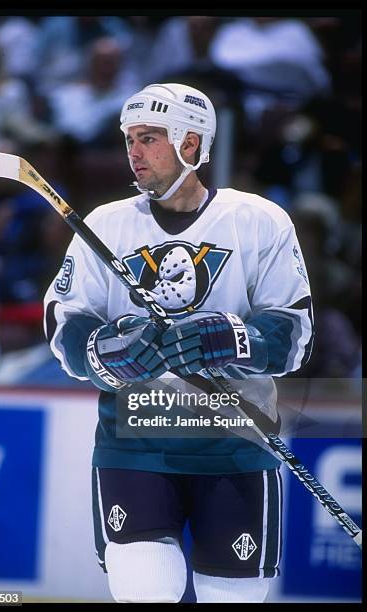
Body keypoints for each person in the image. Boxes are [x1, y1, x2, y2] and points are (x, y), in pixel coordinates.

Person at [43, 83, 313, 603]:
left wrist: (231, 339)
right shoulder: (107, 224)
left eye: (149, 138)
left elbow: (295, 337)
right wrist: (105, 351)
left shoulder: (259, 221)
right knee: (146, 589)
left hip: (237, 447)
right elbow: (64, 324)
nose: (133, 152)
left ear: (191, 145)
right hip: (135, 446)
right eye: (129, 139)